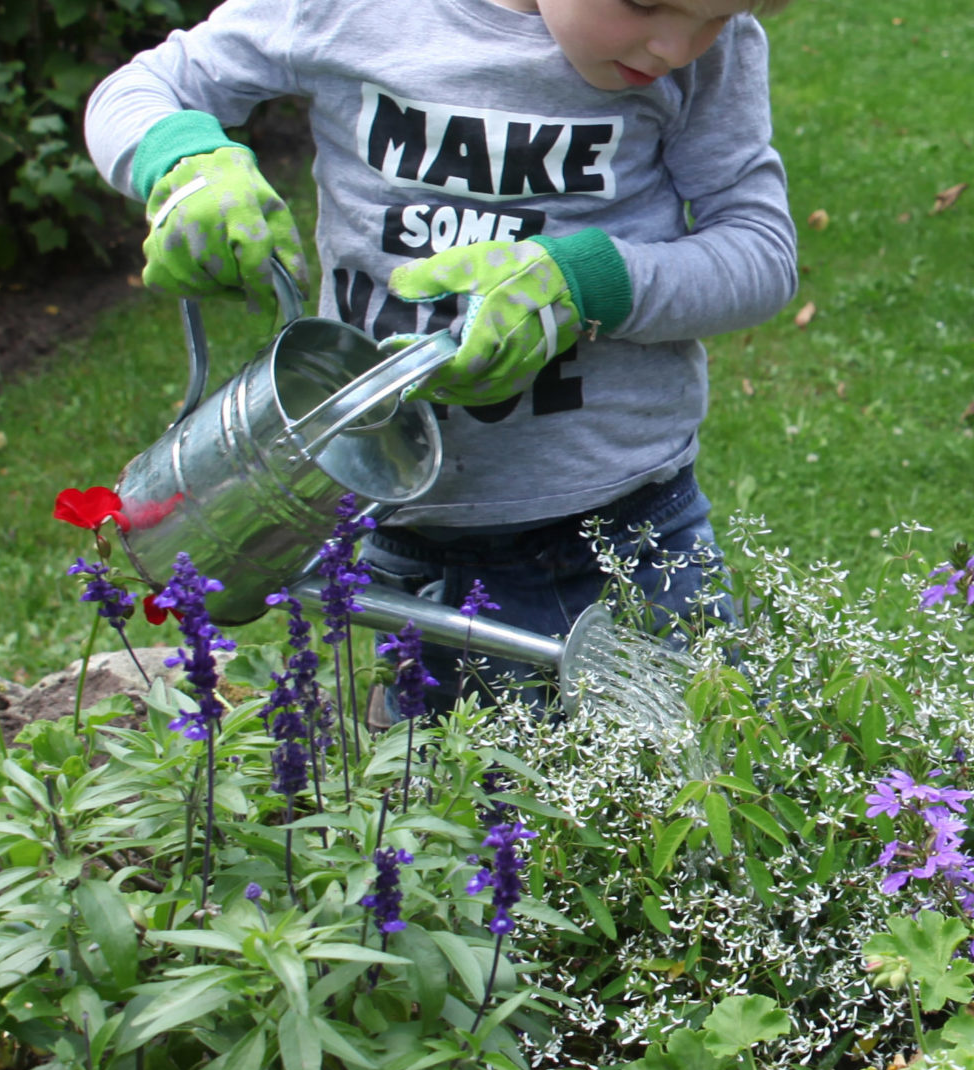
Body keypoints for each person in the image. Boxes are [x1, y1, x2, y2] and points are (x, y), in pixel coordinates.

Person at [85, 0, 798, 715]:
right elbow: (140, 89)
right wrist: (186, 164)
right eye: (643, 3)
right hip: (407, 541)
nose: (676, 46)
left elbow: (760, 249)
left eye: (715, 16)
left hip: (629, 535)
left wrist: (589, 279)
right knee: (440, 783)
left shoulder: (713, 54)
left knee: (700, 770)